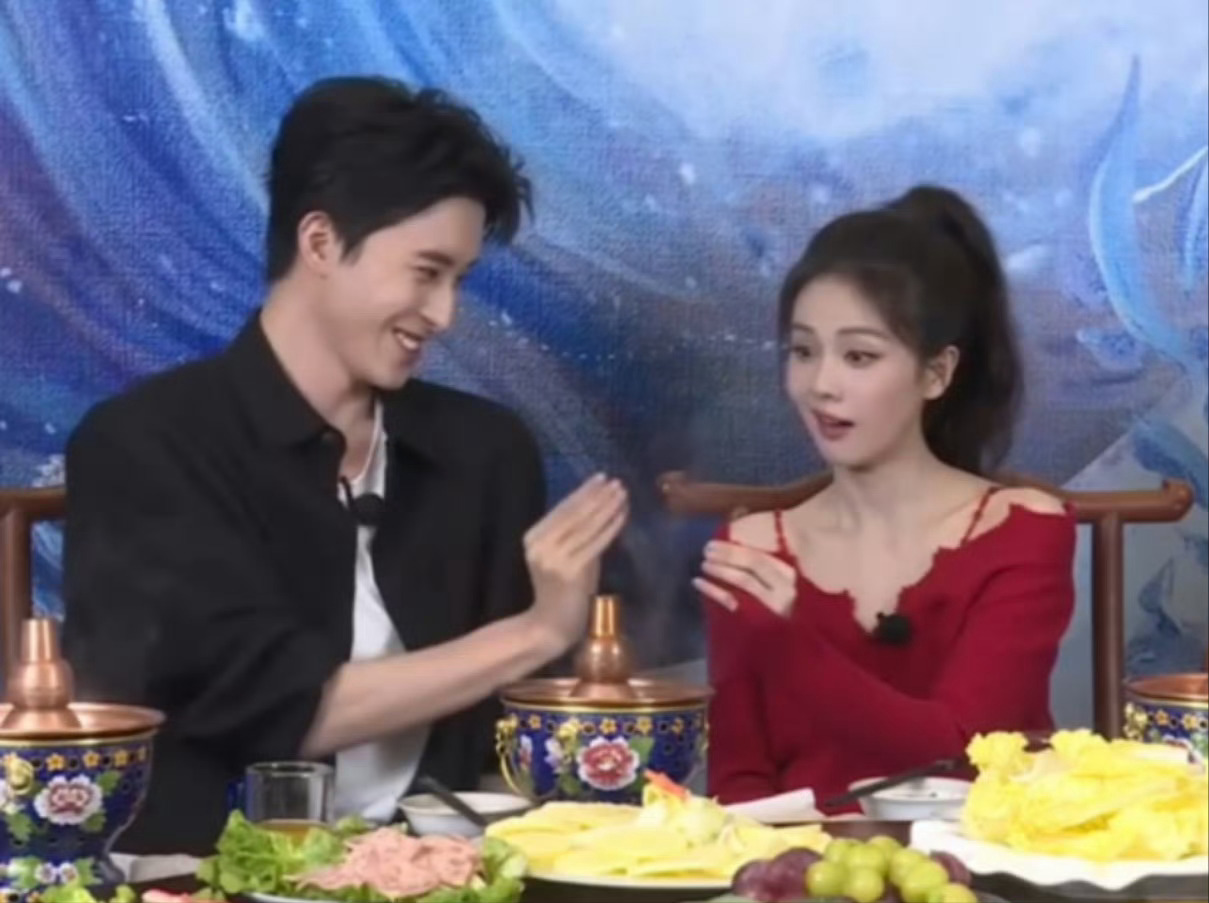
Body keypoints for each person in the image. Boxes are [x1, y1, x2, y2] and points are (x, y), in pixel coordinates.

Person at [61, 76, 628, 854]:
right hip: (209, 874)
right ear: (321, 241)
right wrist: (536, 629)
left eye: (458, 280)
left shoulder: (486, 451)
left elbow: (528, 737)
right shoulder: (145, 444)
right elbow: (275, 708)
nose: (444, 315)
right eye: (425, 271)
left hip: (453, 874)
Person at [695, 185, 1076, 809]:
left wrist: (789, 646)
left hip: (973, 855)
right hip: (797, 861)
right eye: (803, 351)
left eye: (859, 356)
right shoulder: (751, 551)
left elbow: (964, 753)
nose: (821, 385)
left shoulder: (1023, 531)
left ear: (936, 373)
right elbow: (738, 784)